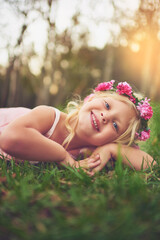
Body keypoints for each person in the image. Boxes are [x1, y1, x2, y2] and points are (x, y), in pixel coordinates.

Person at [0, 80, 155, 175]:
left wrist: (111, 149)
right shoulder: (48, 116)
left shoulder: (90, 151)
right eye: (107, 105)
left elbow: (150, 164)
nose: (105, 116)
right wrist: (63, 157)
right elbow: (9, 138)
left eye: (115, 125)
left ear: (114, 140)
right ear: (93, 98)